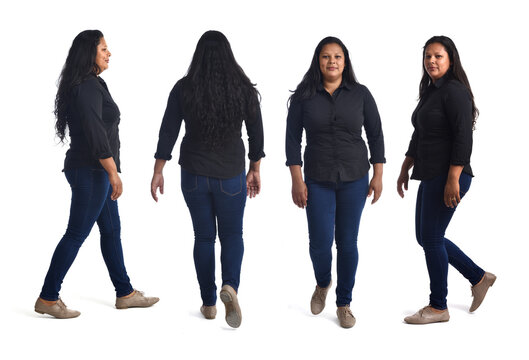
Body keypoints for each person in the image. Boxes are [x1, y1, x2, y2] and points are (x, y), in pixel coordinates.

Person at [35, 30, 158, 319]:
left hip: (93, 170)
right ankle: (48, 297)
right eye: (103, 48)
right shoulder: (88, 86)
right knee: (76, 233)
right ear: (90, 53)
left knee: (111, 230)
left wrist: (110, 172)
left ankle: (125, 293)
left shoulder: (91, 84)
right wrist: (113, 173)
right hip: (92, 171)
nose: (109, 53)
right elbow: (95, 134)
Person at [151, 30, 264, 328]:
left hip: (194, 175)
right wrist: (255, 168)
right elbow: (257, 133)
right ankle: (230, 287)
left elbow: (168, 131)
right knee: (232, 236)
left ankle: (209, 303)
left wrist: (158, 170)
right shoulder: (242, 88)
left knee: (203, 237)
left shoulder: (184, 88)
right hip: (230, 175)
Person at [286, 36, 385, 328]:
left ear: (345, 61)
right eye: (326, 56)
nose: (332, 61)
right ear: (318, 61)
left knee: (347, 242)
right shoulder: (304, 97)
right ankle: (323, 282)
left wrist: (378, 175)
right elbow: (292, 141)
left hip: (355, 176)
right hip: (317, 178)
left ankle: (344, 303)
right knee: (319, 243)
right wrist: (297, 180)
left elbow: (376, 134)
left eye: (337, 56)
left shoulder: (361, 94)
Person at [398, 35, 496, 325]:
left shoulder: (454, 91)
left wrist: (454, 177)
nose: (431, 61)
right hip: (430, 174)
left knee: (430, 238)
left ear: (450, 59)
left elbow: (463, 138)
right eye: (428, 56)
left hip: (448, 175)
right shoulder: (431, 91)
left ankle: (438, 306)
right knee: (426, 237)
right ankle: (479, 277)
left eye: (438, 56)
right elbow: (420, 133)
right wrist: (405, 166)